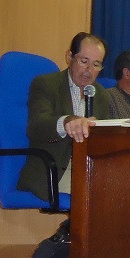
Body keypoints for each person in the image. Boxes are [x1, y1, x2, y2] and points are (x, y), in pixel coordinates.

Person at [17, 32, 111, 200]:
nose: (89, 71)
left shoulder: (102, 95)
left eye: (96, 65)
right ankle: (71, 227)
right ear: (69, 57)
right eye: (84, 62)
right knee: (101, 199)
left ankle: (69, 227)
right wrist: (67, 122)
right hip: (54, 170)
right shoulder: (47, 84)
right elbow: (36, 126)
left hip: (88, 170)